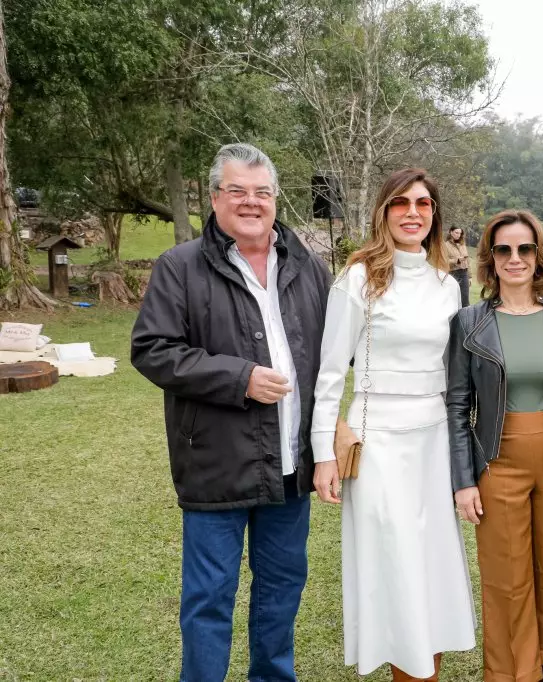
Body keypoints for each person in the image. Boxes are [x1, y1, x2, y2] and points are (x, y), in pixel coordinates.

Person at [131, 143, 331, 681]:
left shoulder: (307, 266)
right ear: (215, 198)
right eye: (237, 191)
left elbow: (332, 354)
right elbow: (152, 349)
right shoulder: (181, 267)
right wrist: (240, 378)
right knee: (209, 600)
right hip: (217, 464)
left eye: (261, 192)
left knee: (282, 591)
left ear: (274, 198)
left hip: (290, 467)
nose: (251, 202)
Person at [310, 168, 476, 681]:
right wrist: (322, 452)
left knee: (432, 570)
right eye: (401, 203)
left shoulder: (448, 284)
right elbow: (332, 371)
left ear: (435, 215)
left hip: (434, 443)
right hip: (377, 442)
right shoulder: (357, 278)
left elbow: (455, 375)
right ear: (383, 212)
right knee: (398, 571)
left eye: (423, 204)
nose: (412, 213)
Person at [446, 209, 543, 682]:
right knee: (505, 575)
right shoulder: (469, 322)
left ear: (539, 255)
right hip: (497, 462)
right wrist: (464, 481)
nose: (515, 258)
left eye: (524, 248)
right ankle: (512, 671)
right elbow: (456, 404)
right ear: (490, 258)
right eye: (504, 249)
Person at [444, 225, 471, 306]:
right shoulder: (445, 245)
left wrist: (470, 276)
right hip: (453, 274)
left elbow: (467, 261)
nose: (458, 235)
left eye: (460, 233)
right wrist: (457, 260)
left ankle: (466, 317)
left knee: (465, 299)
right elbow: (444, 261)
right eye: (456, 232)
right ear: (451, 232)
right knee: (453, 299)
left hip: (464, 273)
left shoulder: (462, 244)